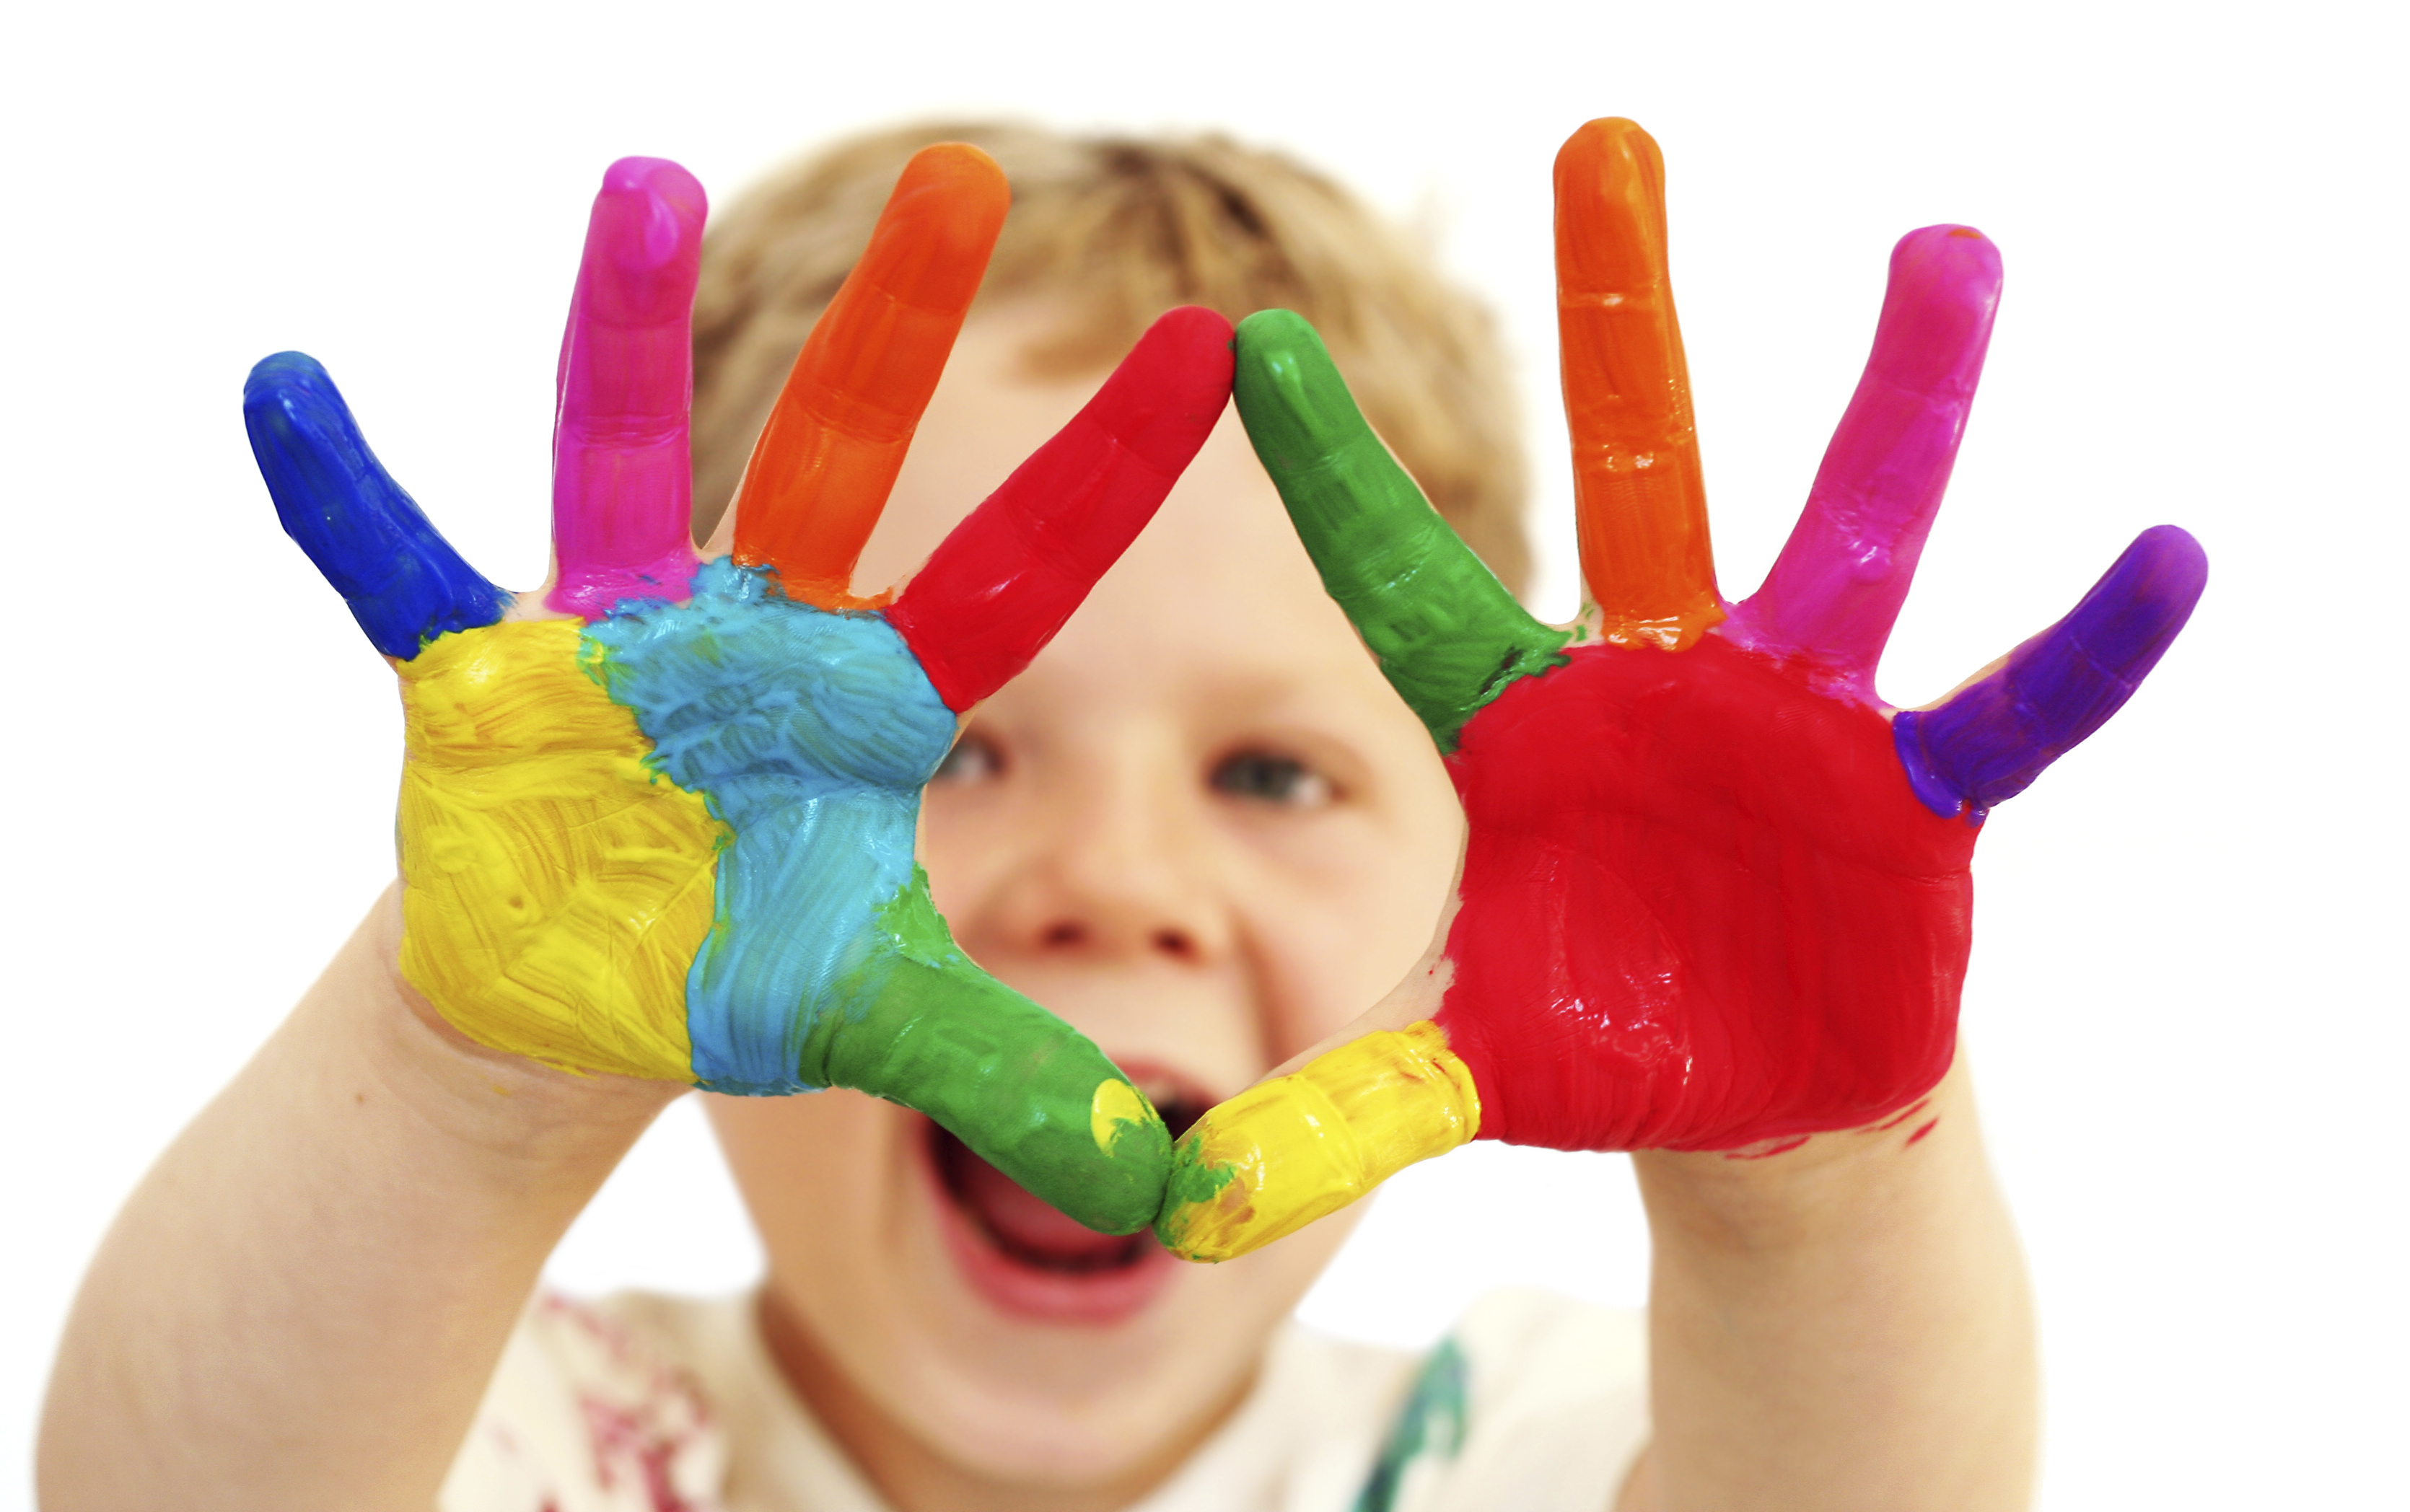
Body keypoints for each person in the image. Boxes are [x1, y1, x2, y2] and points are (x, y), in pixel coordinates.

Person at [35, 119, 2106, 1512]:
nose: (1115, 885)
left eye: (1274, 772)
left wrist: (1813, 1178)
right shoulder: (539, 1431)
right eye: (937, 752)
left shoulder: (1509, 1446)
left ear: (1473, 893)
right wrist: (465, 1073)